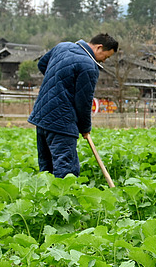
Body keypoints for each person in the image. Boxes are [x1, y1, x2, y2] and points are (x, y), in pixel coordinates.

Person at [28, 33, 119, 178]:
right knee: (66, 168)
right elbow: (84, 102)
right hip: (62, 120)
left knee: (47, 167)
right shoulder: (89, 65)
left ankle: (46, 199)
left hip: (42, 114)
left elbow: (42, 64)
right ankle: (63, 199)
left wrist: (58, 82)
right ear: (99, 48)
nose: (104, 61)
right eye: (106, 57)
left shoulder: (62, 46)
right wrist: (85, 128)